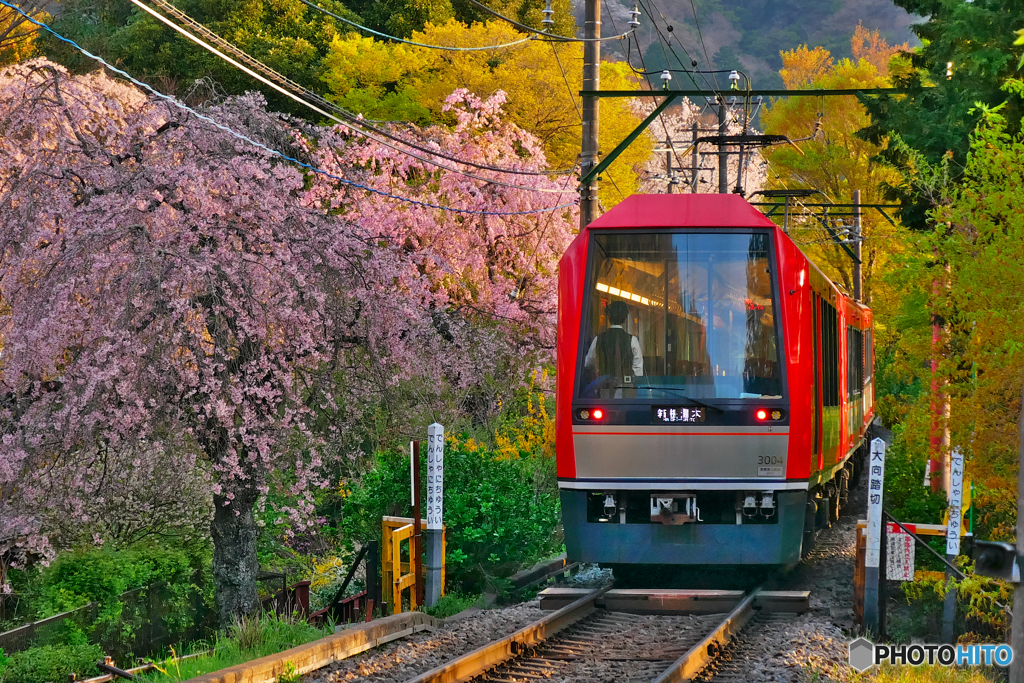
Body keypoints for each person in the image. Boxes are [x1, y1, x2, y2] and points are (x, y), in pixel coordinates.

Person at [584, 300, 643, 397]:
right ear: (625, 319)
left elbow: (588, 362)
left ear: (608, 318)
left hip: (605, 388)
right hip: (626, 389)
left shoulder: (598, 339)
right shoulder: (632, 340)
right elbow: (638, 368)